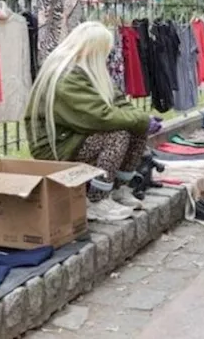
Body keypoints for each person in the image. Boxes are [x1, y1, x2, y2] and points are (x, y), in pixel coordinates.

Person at [25, 21, 162, 223]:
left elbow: (119, 102)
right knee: (117, 135)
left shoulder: (88, 69)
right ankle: (96, 201)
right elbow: (99, 117)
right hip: (58, 146)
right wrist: (141, 119)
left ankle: (118, 189)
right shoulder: (65, 76)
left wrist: (142, 120)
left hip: (75, 137)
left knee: (136, 129)